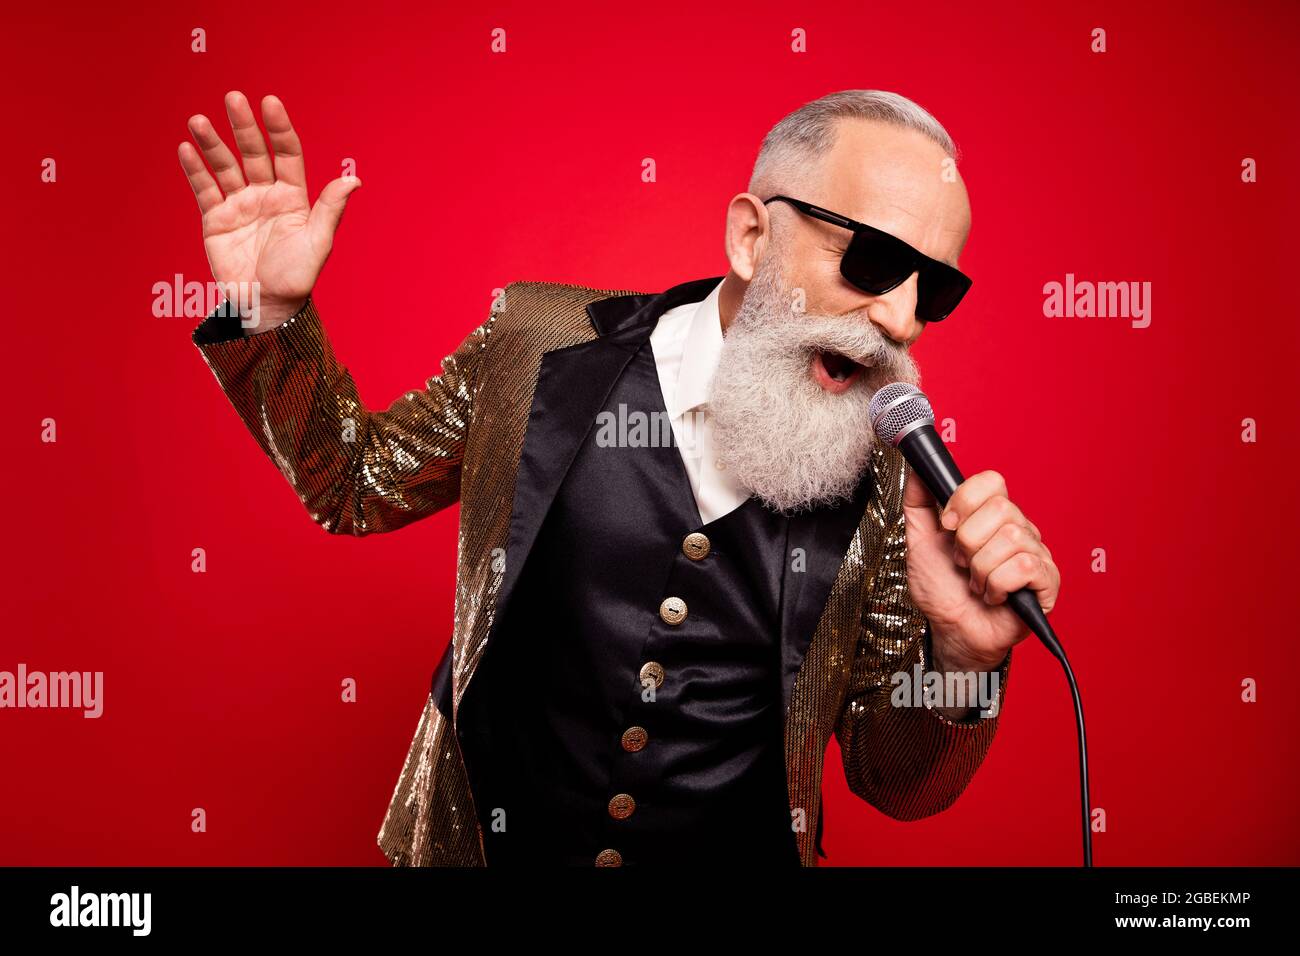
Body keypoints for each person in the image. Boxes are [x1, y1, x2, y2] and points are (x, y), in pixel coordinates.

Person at [179, 89, 1060, 866]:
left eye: (932, 290)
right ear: (752, 235)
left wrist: (960, 659)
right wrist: (269, 315)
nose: (900, 319)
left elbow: (898, 782)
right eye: (869, 261)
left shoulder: (892, 480)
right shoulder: (541, 345)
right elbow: (354, 482)